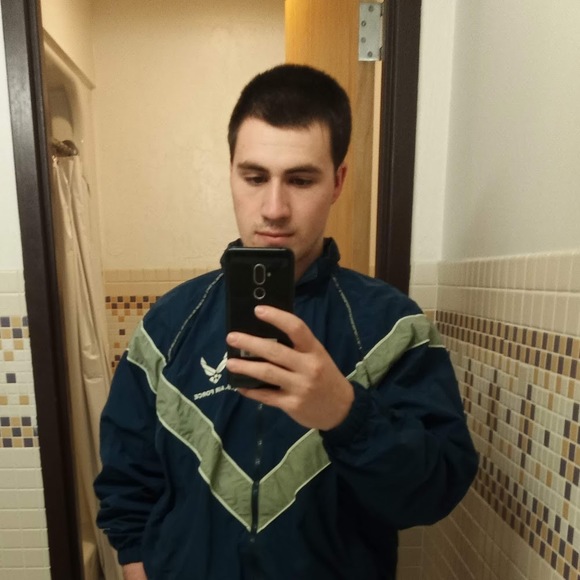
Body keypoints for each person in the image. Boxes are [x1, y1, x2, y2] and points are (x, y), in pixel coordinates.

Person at [94, 64, 478, 580]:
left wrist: (346, 413)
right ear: (231, 174)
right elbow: (127, 476)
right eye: (255, 177)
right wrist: (135, 564)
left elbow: (434, 493)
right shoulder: (170, 324)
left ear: (337, 182)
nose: (274, 208)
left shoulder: (392, 329)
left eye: (300, 180)